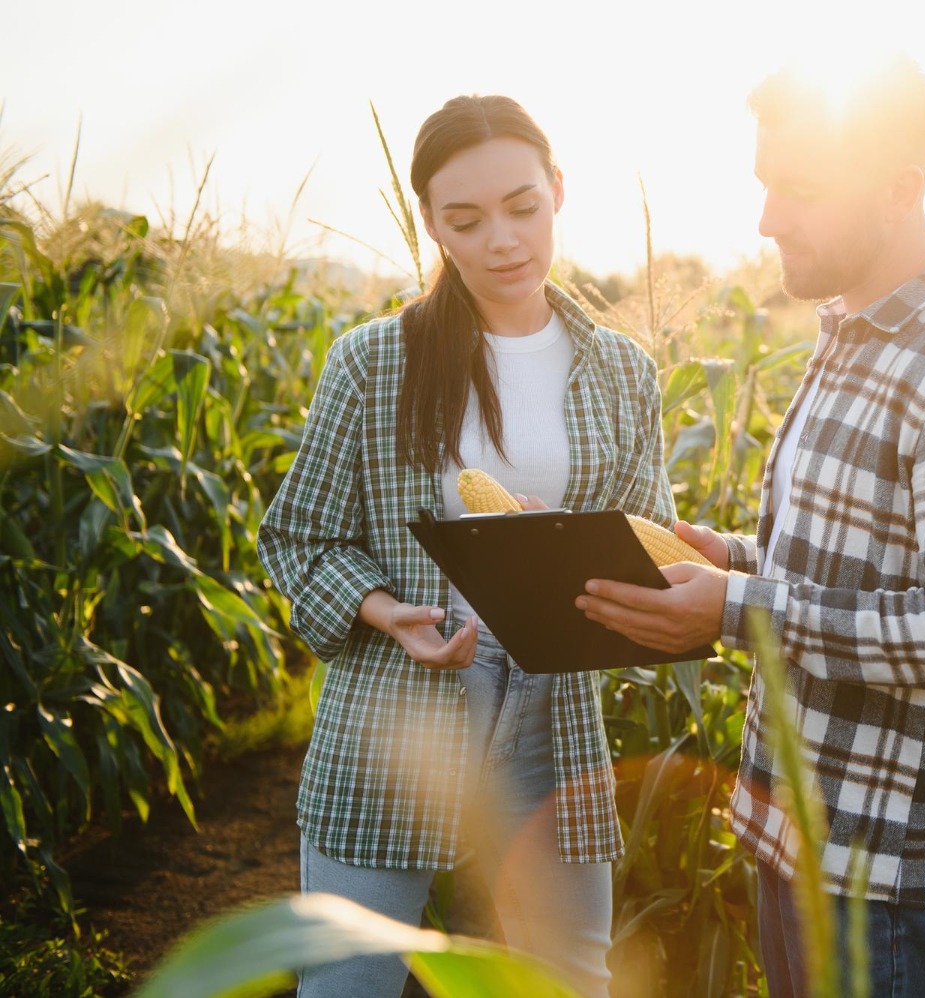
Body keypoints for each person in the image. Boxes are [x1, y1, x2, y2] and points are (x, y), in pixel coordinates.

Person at [575, 54, 925, 997]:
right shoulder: (850, 339)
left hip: (883, 864)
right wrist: (731, 562)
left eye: (798, 188)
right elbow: (845, 566)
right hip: (799, 828)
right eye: (765, 186)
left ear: (900, 189)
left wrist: (736, 609)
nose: (766, 219)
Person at [257, 94, 675, 998]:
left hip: (552, 721)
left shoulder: (622, 371)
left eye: (523, 207)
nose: (501, 241)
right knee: (348, 984)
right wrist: (384, 610)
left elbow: (652, 550)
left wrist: (566, 562)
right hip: (394, 720)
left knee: (568, 981)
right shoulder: (373, 362)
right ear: (432, 225)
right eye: (466, 220)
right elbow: (297, 538)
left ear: (558, 190)